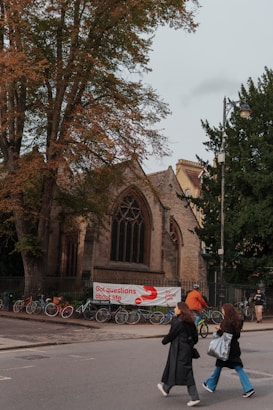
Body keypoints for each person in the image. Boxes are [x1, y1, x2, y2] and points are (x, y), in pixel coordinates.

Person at [202, 303, 255, 398]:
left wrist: (220, 329)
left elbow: (226, 335)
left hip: (225, 349)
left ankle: (210, 384)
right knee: (238, 367)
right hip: (234, 348)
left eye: (223, 310)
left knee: (218, 366)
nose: (222, 311)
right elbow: (236, 335)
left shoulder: (226, 321)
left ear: (226, 311)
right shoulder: (237, 321)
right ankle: (248, 388)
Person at [157, 302, 200, 407]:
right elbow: (196, 338)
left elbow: (171, 335)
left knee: (186, 373)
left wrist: (164, 341)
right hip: (187, 350)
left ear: (180, 310)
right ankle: (165, 388)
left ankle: (194, 397)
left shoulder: (178, 322)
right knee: (176, 369)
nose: (174, 309)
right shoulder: (190, 321)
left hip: (179, 350)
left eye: (176, 307)